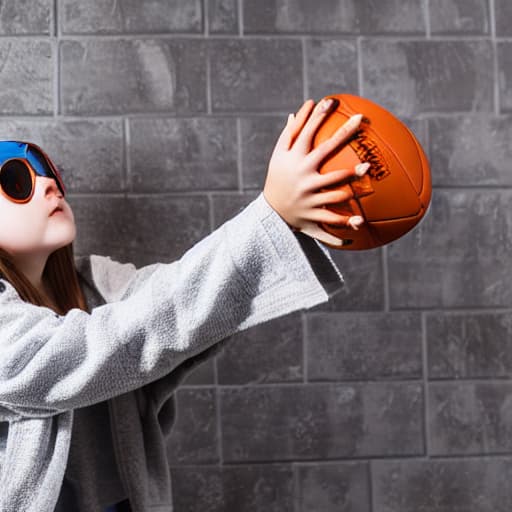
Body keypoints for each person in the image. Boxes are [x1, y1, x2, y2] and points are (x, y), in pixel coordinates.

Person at [0, 98, 368, 512]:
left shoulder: (96, 281)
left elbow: (180, 304)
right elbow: (110, 342)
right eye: (16, 180)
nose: (49, 184)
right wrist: (267, 218)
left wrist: (289, 218)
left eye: (49, 170)